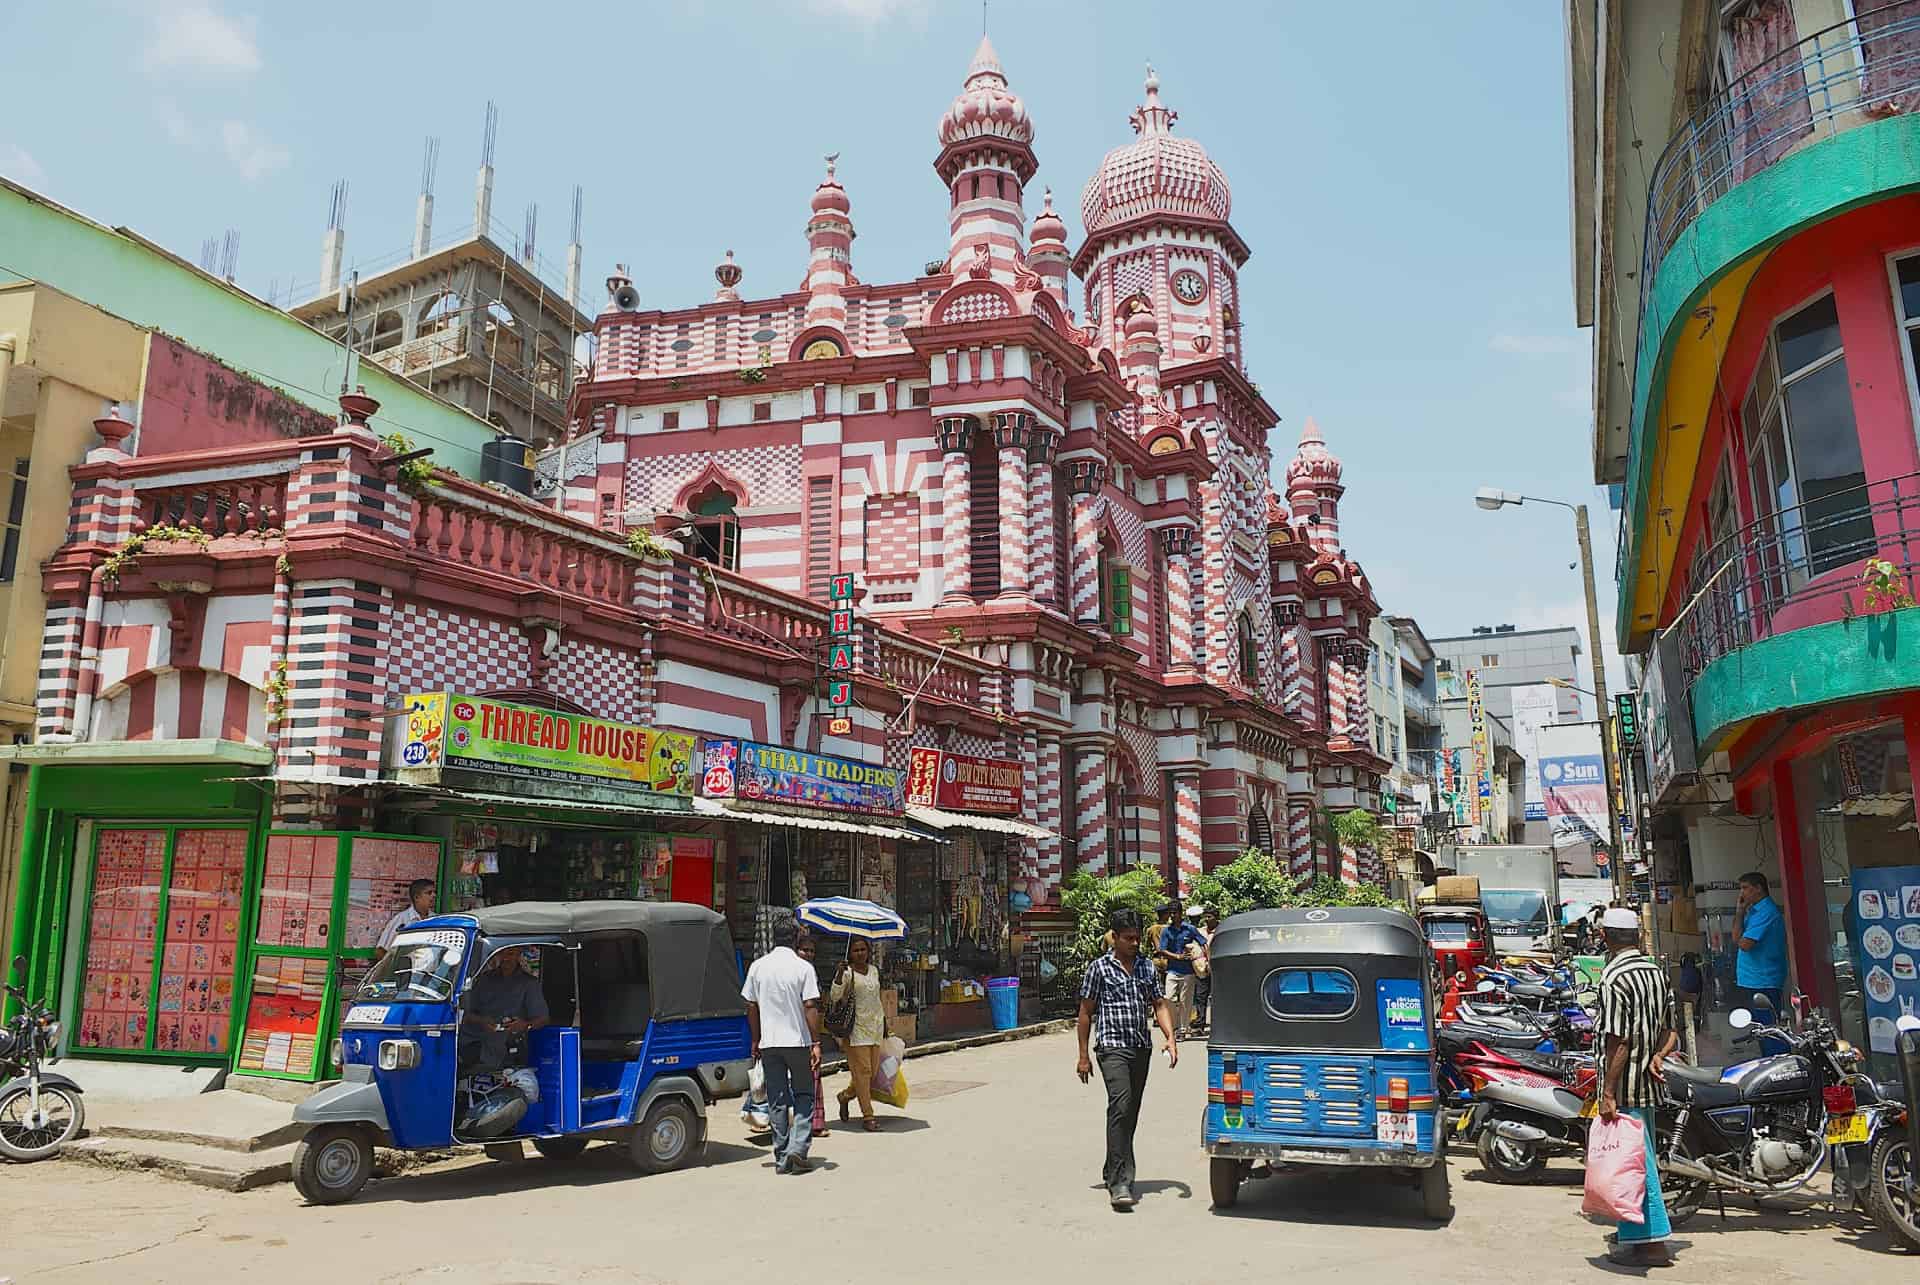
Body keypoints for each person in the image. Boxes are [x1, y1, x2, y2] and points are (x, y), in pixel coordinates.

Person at [1077, 907, 1178, 1212]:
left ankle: (1112, 1168)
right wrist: (1083, 1056)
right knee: (1120, 1105)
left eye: (1137, 938)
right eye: (1129, 938)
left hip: (1140, 1047)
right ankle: (1121, 1182)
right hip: (1111, 1048)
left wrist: (1170, 1037)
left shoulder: (1147, 967)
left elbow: (1158, 1003)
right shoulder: (1099, 968)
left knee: (1129, 1112)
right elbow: (1085, 1013)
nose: (1135, 943)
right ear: (1115, 938)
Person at [1595, 907, 1678, 1268]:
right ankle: (1634, 1234)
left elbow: (1620, 1041)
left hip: (1626, 1087)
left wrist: (1608, 1091)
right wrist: (1659, 1054)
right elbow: (1671, 1029)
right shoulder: (1655, 973)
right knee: (1632, 1161)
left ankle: (1652, 1241)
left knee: (1634, 1164)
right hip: (1650, 1083)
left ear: (1605, 937)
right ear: (1638, 936)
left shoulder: (1613, 977)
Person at [742, 917, 822, 1174]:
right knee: (804, 1095)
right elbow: (810, 1007)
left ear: (773, 937)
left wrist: (755, 1039)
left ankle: (781, 1157)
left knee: (776, 1100)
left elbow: (750, 1006)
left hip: (770, 1044)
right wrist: (817, 1042)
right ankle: (798, 1149)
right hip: (797, 1043)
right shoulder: (803, 968)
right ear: (797, 939)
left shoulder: (758, 967)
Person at [458, 946, 550, 1071]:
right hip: (472, 1041)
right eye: (502, 954)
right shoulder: (484, 979)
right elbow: (464, 1014)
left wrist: (525, 1025)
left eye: (511, 954)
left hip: (506, 1047)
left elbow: (543, 1019)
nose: (506, 958)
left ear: (519, 955)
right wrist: (482, 1020)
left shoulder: (529, 983)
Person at [831, 936, 886, 1131]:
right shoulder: (846, 973)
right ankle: (868, 1116)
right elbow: (835, 996)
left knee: (870, 1074)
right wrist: (838, 974)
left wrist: (885, 1024)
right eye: (856, 950)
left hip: (875, 1028)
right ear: (850, 953)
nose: (860, 953)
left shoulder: (874, 971)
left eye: (863, 949)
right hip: (855, 1030)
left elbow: (876, 998)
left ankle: (845, 1096)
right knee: (863, 1073)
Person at [1735, 871, 1788, 1013]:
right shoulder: (1753, 912)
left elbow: (1745, 944)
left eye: (1745, 888)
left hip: (1763, 980)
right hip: (1751, 979)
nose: (1742, 893)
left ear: (1758, 888)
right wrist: (1740, 912)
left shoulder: (1766, 912)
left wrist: (1741, 939)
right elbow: (1736, 938)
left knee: (1766, 1026)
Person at [794, 932, 830, 1138]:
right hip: (796, 1032)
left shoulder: (810, 972)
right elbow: (809, 1005)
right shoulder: (796, 972)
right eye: (804, 949)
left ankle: (815, 1122)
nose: (808, 954)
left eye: (811, 951)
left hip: (805, 1031)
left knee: (812, 1076)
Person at [1156, 902, 1205, 1038]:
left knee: (1186, 1001)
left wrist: (1206, 959)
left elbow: (1203, 942)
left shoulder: (1190, 929)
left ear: (1180, 912)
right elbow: (1162, 950)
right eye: (1170, 913)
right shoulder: (1166, 931)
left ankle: (1183, 1029)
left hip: (1188, 972)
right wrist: (1177, 956)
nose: (1172, 915)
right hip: (1172, 970)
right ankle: (1173, 1026)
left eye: (1175, 912)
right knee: (1169, 998)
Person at [377, 879, 436, 949]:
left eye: (434, 892)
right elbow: (381, 949)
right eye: (429, 893)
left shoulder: (436, 919)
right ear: (417, 897)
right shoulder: (401, 920)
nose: (434, 895)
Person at [1189, 907, 1219, 1036]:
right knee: (1201, 998)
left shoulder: (1221, 931)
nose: (1207, 920)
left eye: (1209, 917)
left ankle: (1218, 1025)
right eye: (1205, 917)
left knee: (1217, 998)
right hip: (1201, 969)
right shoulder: (1200, 932)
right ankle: (1200, 1025)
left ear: (1216, 917)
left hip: (1218, 969)